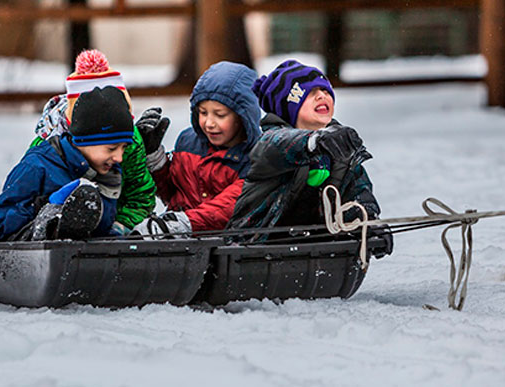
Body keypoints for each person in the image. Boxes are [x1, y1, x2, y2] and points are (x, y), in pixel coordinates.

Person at [227, 60, 391, 257]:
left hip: (319, 249)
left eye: (325, 90)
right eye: (310, 94)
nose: (322, 95)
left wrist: (369, 223)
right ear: (288, 108)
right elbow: (282, 144)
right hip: (252, 250)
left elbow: (358, 190)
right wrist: (314, 141)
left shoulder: (339, 146)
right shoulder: (271, 143)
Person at [0, 86, 134, 241]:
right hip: (33, 253)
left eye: (124, 148)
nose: (119, 158)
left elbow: (98, 232)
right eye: (112, 148)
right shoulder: (38, 167)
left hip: (80, 258)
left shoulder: (108, 174)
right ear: (85, 140)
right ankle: (51, 227)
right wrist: (43, 205)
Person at [31, 49, 155, 235]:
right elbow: (21, 202)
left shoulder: (131, 142)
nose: (119, 156)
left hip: (114, 229)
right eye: (111, 147)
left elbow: (140, 196)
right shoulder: (46, 147)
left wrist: (120, 226)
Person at [132, 61, 262, 235]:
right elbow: (173, 191)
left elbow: (230, 207)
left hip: (225, 246)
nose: (209, 123)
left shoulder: (256, 156)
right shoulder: (188, 143)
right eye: (203, 112)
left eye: (220, 114)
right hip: (179, 243)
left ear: (243, 116)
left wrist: (182, 223)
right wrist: (154, 159)